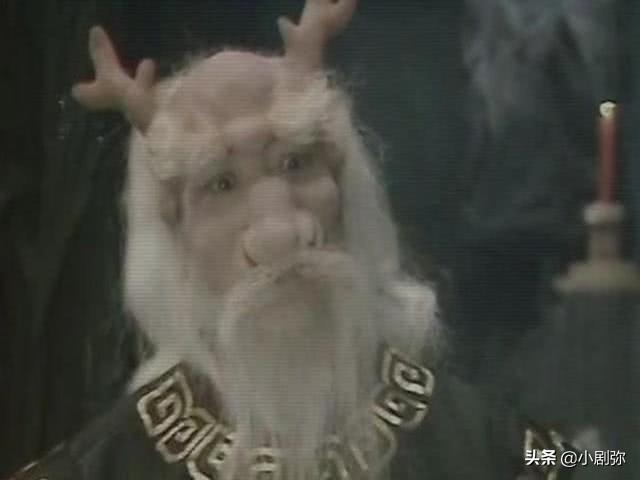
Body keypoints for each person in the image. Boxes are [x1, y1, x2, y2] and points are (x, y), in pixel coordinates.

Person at [7, 1, 572, 478]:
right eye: (220, 184)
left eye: (296, 163)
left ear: (347, 196)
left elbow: (594, 462)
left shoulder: (492, 445)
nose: (279, 230)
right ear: (175, 239)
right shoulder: (99, 468)